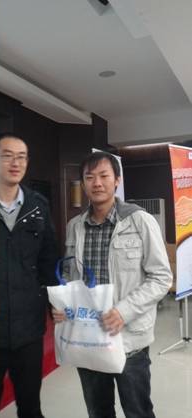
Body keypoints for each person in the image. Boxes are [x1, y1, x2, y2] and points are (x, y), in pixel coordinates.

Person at [52, 151, 172, 418]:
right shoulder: (75, 226)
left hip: (128, 337)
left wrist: (123, 311)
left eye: (104, 176)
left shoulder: (140, 221)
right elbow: (72, 277)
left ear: (117, 180)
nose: (97, 183)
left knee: (137, 411)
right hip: (88, 337)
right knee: (98, 410)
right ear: (83, 183)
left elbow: (161, 277)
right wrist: (64, 306)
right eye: (89, 177)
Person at [0, 133, 58, 417]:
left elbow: (49, 261)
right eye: (7, 156)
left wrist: (55, 304)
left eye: (21, 157)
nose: (15, 163)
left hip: (29, 327)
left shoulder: (38, 205)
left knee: (31, 405)